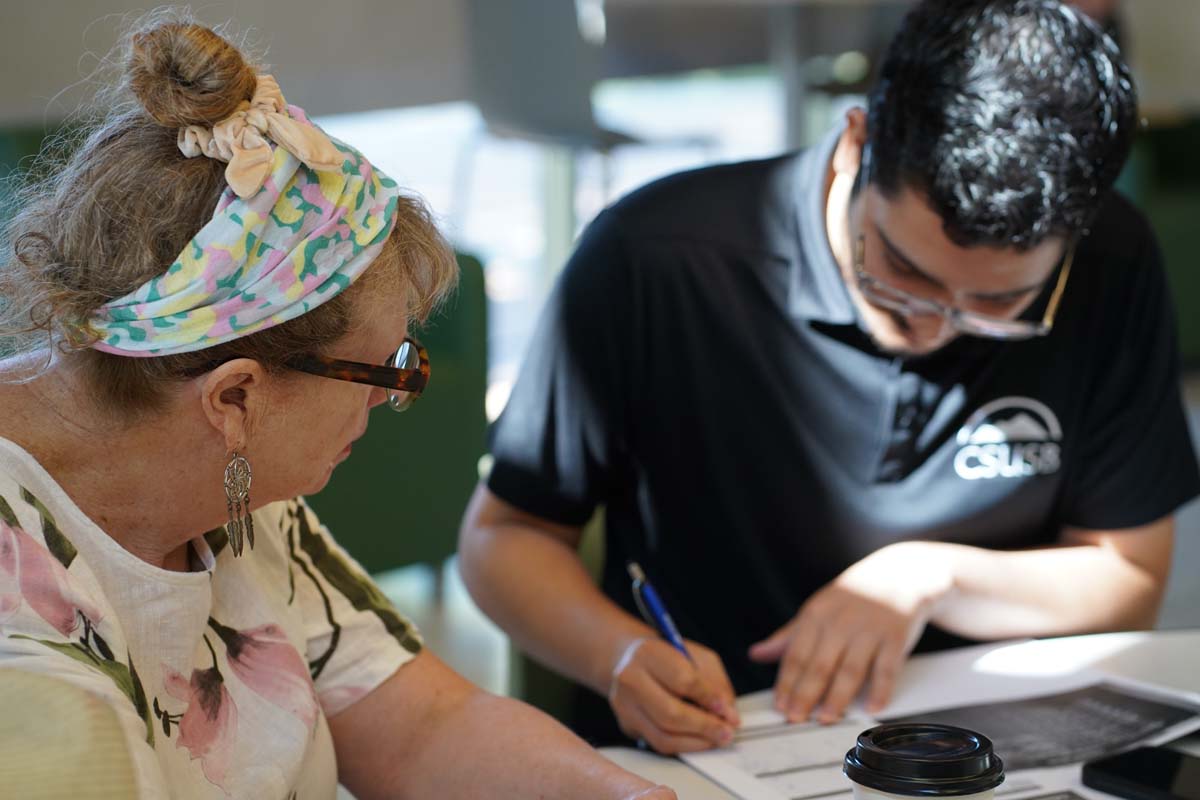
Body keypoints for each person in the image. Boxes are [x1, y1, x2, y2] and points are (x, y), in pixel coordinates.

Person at [459, 0, 1200, 754]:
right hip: (717, 747)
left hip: (988, 748)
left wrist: (929, 578)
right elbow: (504, 538)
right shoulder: (657, 260)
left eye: (998, 304)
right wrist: (613, 654)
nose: (932, 324)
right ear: (855, 143)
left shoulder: (1109, 263)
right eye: (902, 272)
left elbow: (1129, 577)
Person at [0, 14, 676, 800]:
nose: (396, 395)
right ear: (236, 397)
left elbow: (424, 729)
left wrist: (631, 796)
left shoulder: (228, 483)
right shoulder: (24, 630)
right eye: (383, 369)